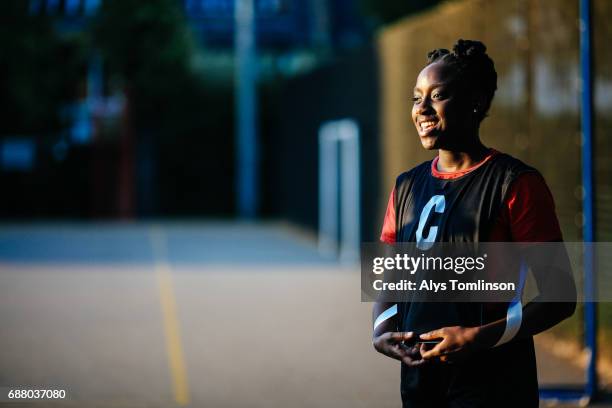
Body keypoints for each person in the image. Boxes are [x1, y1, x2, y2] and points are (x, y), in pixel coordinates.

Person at [372, 39, 576, 407]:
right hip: (420, 378)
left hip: (493, 382)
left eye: (438, 95)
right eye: (417, 98)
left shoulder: (515, 183)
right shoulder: (406, 186)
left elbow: (561, 297)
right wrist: (381, 327)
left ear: (476, 102)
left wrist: (477, 337)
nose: (422, 108)